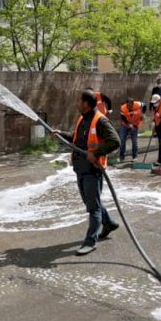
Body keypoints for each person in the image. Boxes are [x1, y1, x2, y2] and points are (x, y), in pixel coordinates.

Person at [53, 90, 121, 256]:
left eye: (79, 100)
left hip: (93, 170)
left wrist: (96, 153)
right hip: (80, 169)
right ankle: (109, 223)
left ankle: (90, 241)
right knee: (91, 202)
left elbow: (115, 141)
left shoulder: (100, 121)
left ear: (86, 103)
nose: (77, 102)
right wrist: (60, 134)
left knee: (93, 208)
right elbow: (76, 139)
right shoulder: (83, 119)